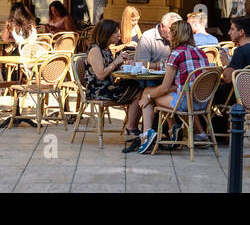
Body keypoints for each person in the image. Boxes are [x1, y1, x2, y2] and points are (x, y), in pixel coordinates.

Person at [136, 18, 210, 153]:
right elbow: (180, 84)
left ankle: (147, 134)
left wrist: (147, 96)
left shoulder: (176, 54)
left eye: (171, 33)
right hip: (202, 102)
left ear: (176, 35)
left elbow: (164, 87)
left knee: (148, 91)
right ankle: (178, 129)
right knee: (156, 93)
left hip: (185, 103)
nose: (169, 35)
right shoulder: (201, 53)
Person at [82, 18, 145, 148]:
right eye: (116, 33)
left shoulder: (106, 49)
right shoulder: (95, 50)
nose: (119, 35)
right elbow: (100, 75)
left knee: (140, 87)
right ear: (107, 34)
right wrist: (116, 62)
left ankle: (131, 126)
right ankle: (131, 127)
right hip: (98, 91)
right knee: (138, 91)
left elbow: (110, 70)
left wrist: (123, 61)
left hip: (108, 87)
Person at [222, 16, 250, 81]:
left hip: (238, 90)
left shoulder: (240, 51)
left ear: (241, 32)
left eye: (232, 29)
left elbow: (228, 79)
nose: (229, 33)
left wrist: (225, 64)